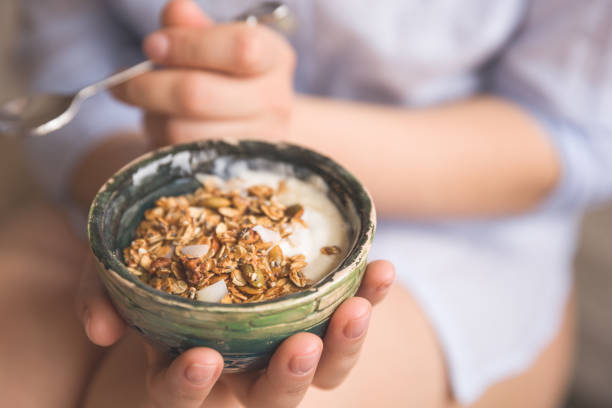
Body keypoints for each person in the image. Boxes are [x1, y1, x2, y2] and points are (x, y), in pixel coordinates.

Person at [5, 0, 612, 406]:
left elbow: (571, 135)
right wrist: (147, 203)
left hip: (457, 223)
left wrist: (286, 126)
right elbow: (67, 46)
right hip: (135, 164)